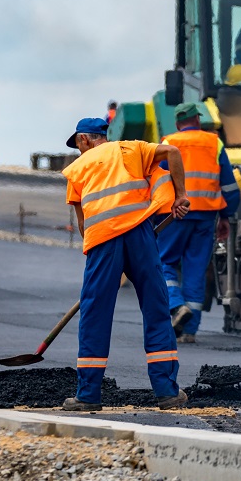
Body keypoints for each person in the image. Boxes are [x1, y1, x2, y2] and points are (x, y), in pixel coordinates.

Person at [61, 117, 192, 411]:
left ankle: (88, 395)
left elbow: (83, 225)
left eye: (78, 145)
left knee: (95, 314)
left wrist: (103, 255)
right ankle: (167, 392)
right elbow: (172, 152)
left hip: (103, 242)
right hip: (141, 235)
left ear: (84, 140)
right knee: (157, 310)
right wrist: (181, 195)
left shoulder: (78, 169)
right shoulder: (131, 149)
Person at [158, 102, 241, 343]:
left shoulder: (168, 142)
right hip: (206, 216)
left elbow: (158, 182)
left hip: (174, 215)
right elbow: (229, 187)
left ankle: (176, 306)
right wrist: (226, 216)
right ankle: (189, 331)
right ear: (197, 119)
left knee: (163, 262)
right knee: (195, 271)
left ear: (177, 123)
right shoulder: (214, 143)